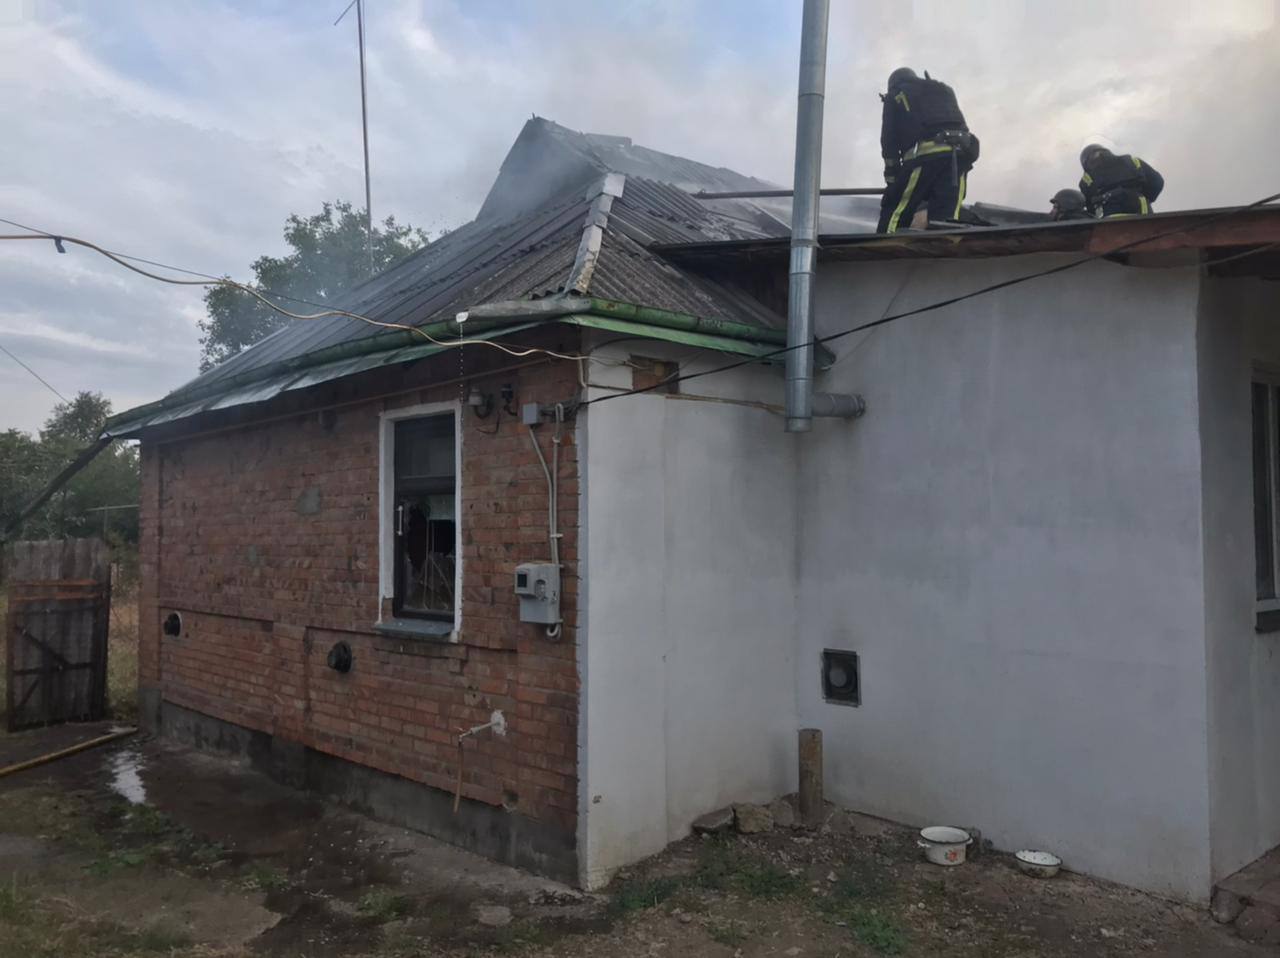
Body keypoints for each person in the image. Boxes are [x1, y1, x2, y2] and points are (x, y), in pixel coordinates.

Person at [877, 67, 980, 234]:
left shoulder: (895, 94)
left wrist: (893, 181)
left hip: (925, 157)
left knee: (896, 209)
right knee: (945, 218)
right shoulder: (943, 90)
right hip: (960, 156)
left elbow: (889, 141)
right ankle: (943, 245)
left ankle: (883, 242)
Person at [1078, 145, 1164, 218]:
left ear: (1085, 162)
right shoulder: (1132, 161)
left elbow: (1089, 205)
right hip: (1141, 209)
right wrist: (1143, 196)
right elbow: (1157, 182)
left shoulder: (1087, 177)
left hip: (1109, 217)